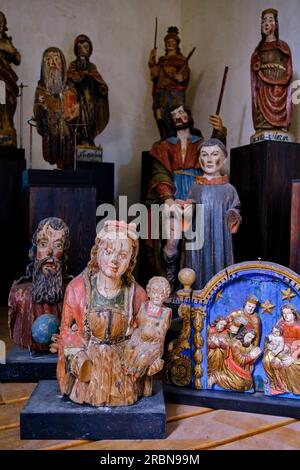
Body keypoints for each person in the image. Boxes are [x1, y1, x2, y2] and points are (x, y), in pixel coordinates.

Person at [57, 221, 167, 407]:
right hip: (88, 371)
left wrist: (148, 360)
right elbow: (65, 331)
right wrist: (77, 356)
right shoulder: (77, 289)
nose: (115, 260)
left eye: (123, 255)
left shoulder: (137, 294)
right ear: (97, 252)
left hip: (122, 374)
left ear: (131, 260)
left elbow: (145, 337)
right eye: (108, 252)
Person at [145, 107, 226, 290]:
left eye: (182, 113)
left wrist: (220, 132)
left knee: (199, 239)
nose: (179, 117)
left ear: (189, 116)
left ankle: (199, 280)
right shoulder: (163, 146)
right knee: (172, 239)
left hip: (199, 194)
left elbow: (217, 155)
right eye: (174, 116)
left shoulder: (201, 144)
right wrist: (167, 198)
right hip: (173, 196)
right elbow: (160, 173)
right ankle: (170, 273)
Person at [182, 138, 241, 289]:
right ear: (199, 158)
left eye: (214, 154)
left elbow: (236, 208)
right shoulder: (195, 188)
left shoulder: (229, 189)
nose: (208, 159)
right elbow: (187, 215)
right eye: (204, 154)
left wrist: (233, 215)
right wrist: (185, 209)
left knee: (220, 265)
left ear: (224, 158)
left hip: (220, 237)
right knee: (196, 265)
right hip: (197, 238)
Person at [8, 217, 70, 351]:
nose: (49, 252)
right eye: (43, 244)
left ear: (64, 253)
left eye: (57, 245)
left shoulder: (73, 293)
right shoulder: (18, 294)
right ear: (35, 251)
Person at [123, 276, 172, 395]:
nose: (157, 296)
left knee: (144, 356)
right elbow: (138, 324)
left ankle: (135, 378)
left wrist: (149, 334)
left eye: (161, 294)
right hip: (139, 338)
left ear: (165, 295)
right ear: (149, 292)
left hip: (154, 344)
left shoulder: (166, 312)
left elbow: (161, 333)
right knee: (130, 348)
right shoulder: (144, 306)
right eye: (154, 292)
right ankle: (128, 376)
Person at [34, 47, 79, 169]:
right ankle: (57, 163)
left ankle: (63, 164)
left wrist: (75, 110)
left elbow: (75, 109)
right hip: (50, 131)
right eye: (48, 60)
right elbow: (38, 109)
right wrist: (41, 109)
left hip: (66, 133)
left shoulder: (69, 87)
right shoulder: (41, 90)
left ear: (62, 64)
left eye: (56, 59)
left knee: (67, 152)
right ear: (43, 65)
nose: (52, 63)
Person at [251, 9, 293, 134]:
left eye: (270, 20)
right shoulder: (258, 50)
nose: (266, 23)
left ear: (276, 24)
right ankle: (263, 127)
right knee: (262, 115)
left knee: (278, 112)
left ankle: (279, 125)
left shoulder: (283, 47)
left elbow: (288, 70)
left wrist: (280, 80)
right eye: (264, 21)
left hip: (278, 88)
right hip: (263, 87)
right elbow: (254, 69)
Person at [148, 26, 191, 139]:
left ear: (177, 44)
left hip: (175, 93)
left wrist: (181, 76)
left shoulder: (181, 60)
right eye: (167, 42)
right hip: (162, 92)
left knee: (177, 117)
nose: (169, 44)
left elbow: (185, 73)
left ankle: (176, 139)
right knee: (160, 116)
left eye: (172, 42)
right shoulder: (162, 61)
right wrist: (152, 62)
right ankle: (166, 138)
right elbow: (155, 75)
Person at [67, 34, 109, 146]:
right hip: (77, 98)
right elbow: (69, 78)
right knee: (79, 117)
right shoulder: (73, 64)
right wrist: (78, 76)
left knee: (90, 117)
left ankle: (88, 138)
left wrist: (102, 87)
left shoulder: (92, 66)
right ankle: (80, 139)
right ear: (77, 49)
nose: (84, 49)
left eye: (86, 47)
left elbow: (98, 79)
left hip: (90, 97)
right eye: (82, 46)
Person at [263, 304, 300, 395]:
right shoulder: (281, 324)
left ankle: (294, 388)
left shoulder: (298, 326)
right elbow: (273, 336)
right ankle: (278, 384)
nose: (286, 316)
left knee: (290, 365)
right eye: (284, 313)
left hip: (295, 349)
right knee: (268, 359)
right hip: (281, 347)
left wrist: (294, 355)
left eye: (288, 313)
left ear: (294, 314)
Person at [0, 11, 21, 146]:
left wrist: (10, 50)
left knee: (6, 103)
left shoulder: (7, 42)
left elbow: (18, 59)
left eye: (1, 23)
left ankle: (6, 129)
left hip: (5, 78)